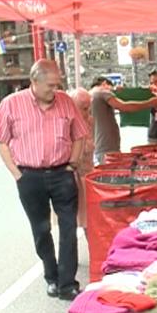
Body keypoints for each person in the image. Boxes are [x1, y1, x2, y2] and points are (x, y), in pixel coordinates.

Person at [0, 59, 89, 301]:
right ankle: (51, 277)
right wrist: (17, 174)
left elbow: (80, 135)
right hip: (29, 176)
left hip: (61, 174)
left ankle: (67, 284)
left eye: (57, 85)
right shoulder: (11, 104)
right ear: (34, 82)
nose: (55, 91)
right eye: (50, 86)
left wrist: (72, 164)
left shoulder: (65, 102)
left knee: (68, 228)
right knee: (41, 230)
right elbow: (2, 142)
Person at [89, 76, 157, 165]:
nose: (111, 92)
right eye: (111, 88)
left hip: (97, 145)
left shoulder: (89, 95)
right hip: (107, 145)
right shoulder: (102, 92)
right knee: (112, 174)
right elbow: (124, 107)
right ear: (104, 83)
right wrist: (150, 103)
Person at [68, 88, 95, 235]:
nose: (87, 113)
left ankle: (93, 251)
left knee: (90, 220)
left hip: (88, 174)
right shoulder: (66, 124)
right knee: (70, 220)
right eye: (84, 109)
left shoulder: (90, 121)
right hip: (72, 177)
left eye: (89, 108)